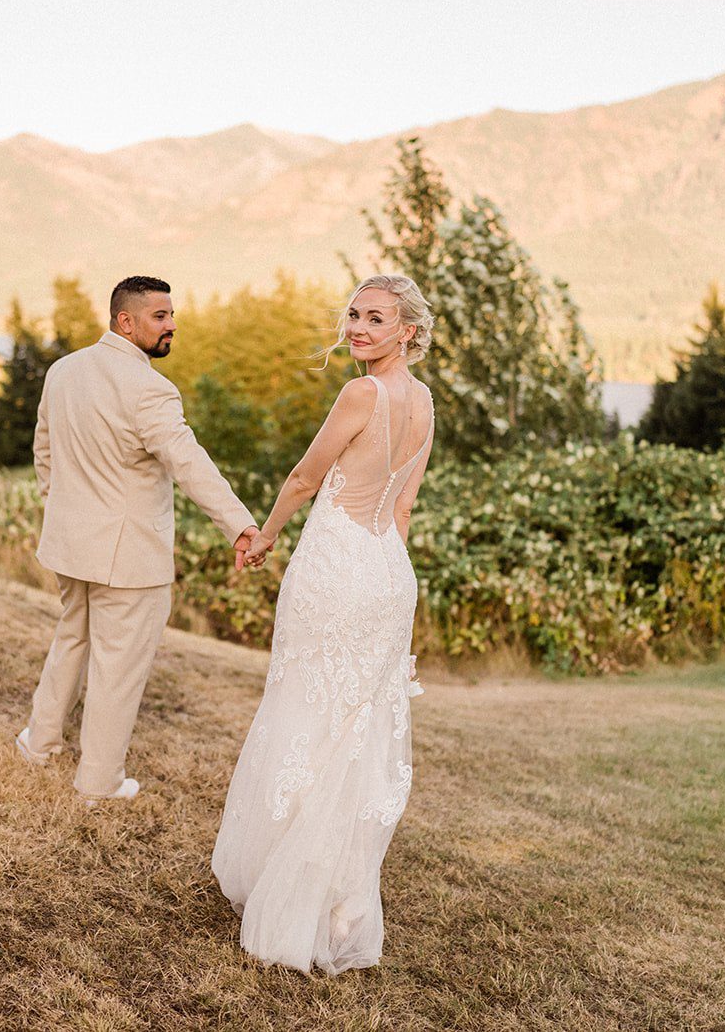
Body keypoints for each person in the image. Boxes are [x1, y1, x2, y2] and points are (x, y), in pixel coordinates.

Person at [212, 273, 437, 974]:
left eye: (376, 317)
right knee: (356, 729)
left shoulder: (360, 393)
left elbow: (307, 477)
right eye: (354, 313)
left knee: (307, 712)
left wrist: (266, 535)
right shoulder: (424, 401)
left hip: (336, 568)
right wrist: (393, 581)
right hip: (386, 574)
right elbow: (402, 510)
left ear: (408, 330)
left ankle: (293, 889)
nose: (358, 326)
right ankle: (339, 894)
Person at [16, 275, 261, 804]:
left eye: (172, 315)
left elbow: (44, 450)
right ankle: (99, 782)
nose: (172, 325)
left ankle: (40, 743)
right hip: (128, 559)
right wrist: (239, 524)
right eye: (160, 316)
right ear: (125, 321)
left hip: (69, 543)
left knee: (72, 640)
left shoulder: (64, 370)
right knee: (118, 669)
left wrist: (61, 506)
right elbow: (189, 464)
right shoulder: (150, 388)